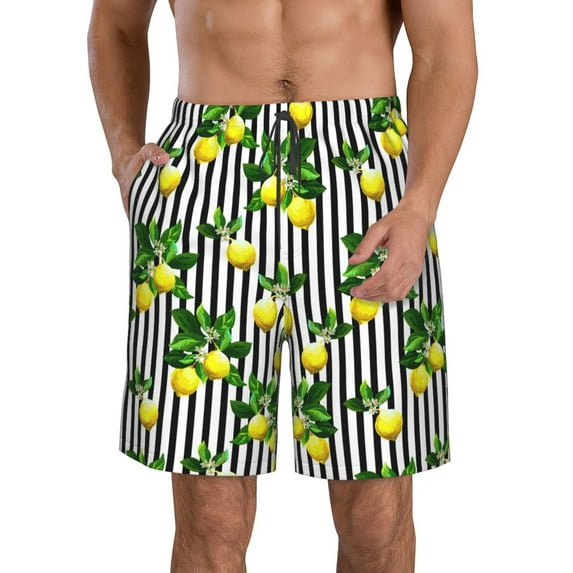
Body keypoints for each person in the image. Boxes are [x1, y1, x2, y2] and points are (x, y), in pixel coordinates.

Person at [88, 0, 477, 570]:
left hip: (364, 183)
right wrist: (124, 153)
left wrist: (420, 204)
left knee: (374, 511)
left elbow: (445, 49)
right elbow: (115, 25)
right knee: (211, 513)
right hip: (205, 171)